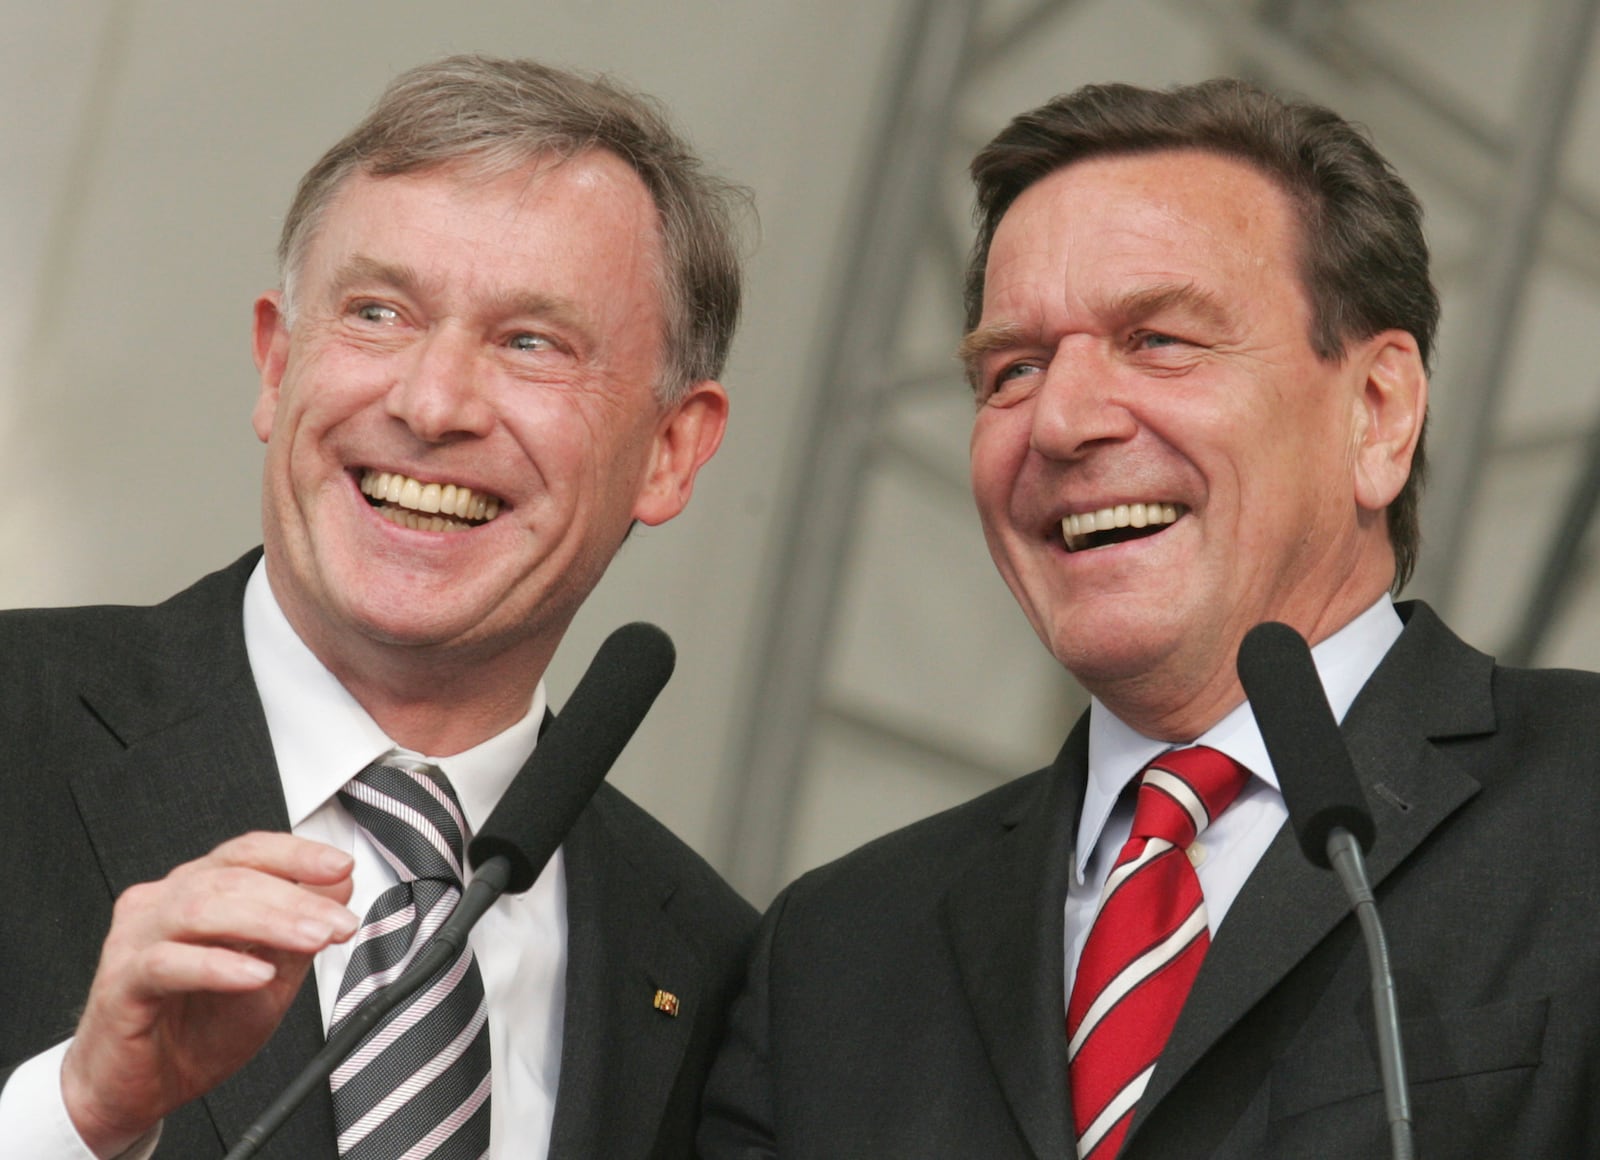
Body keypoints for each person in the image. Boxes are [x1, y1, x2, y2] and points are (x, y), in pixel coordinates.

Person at [698, 78, 1600, 1158]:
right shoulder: (833, 952)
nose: (1064, 421)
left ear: (1377, 412)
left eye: (1160, 338)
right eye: (1012, 368)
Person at [0, 54, 757, 1160]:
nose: (431, 401)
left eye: (530, 341)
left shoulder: (719, 968)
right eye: (378, 312)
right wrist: (78, 1117)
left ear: (672, 449)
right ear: (275, 363)